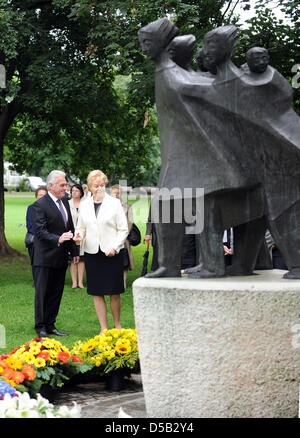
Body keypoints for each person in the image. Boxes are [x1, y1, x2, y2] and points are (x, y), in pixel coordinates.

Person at [74, 170, 128, 335]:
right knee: (96, 291)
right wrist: (78, 236)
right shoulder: (84, 204)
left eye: (102, 185)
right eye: (96, 186)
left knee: (114, 290)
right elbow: (81, 227)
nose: (100, 188)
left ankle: (117, 324)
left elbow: (123, 229)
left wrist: (115, 247)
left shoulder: (114, 203)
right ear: (90, 187)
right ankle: (104, 328)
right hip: (92, 253)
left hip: (111, 253)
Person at [31, 170, 79, 337]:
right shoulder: (40, 205)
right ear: (50, 186)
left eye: (66, 184)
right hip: (44, 257)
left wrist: (74, 251)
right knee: (42, 293)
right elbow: (40, 232)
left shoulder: (64, 202)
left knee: (56, 293)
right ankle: (41, 326)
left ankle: (51, 324)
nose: (66, 188)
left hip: (61, 257)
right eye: (62, 185)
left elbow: (69, 229)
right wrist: (59, 239)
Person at [110, 184, 134, 288]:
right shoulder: (106, 206)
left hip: (123, 238)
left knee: (124, 261)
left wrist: (122, 234)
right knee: (111, 260)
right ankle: (113, 281)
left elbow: (130, 222)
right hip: (109, 237)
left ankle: (123, 282)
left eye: (118, 192)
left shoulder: (127, 206)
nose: (116, 194)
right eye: (114, 192)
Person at [25, 186, 48, 285]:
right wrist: (41, 235)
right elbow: (30, 225)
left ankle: (46, 281)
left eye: (44, 195)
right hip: (34, 239)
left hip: (47, 239)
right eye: (40, 195)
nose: (42, 197)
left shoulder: (50, 208)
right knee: (35, 262)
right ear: (36, 196)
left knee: (46, 263)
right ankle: (37, 282)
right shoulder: (31, 208)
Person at [68, 184, 86, 289]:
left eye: (76, 190)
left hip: (83, 234)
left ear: (81, 192)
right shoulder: (67, 203)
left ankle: (81, 282)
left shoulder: (86, 204)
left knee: (82, 258)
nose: (74, 192)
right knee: (72, 258)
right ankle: (74, 282)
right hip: (71, 233)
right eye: (72, 190)